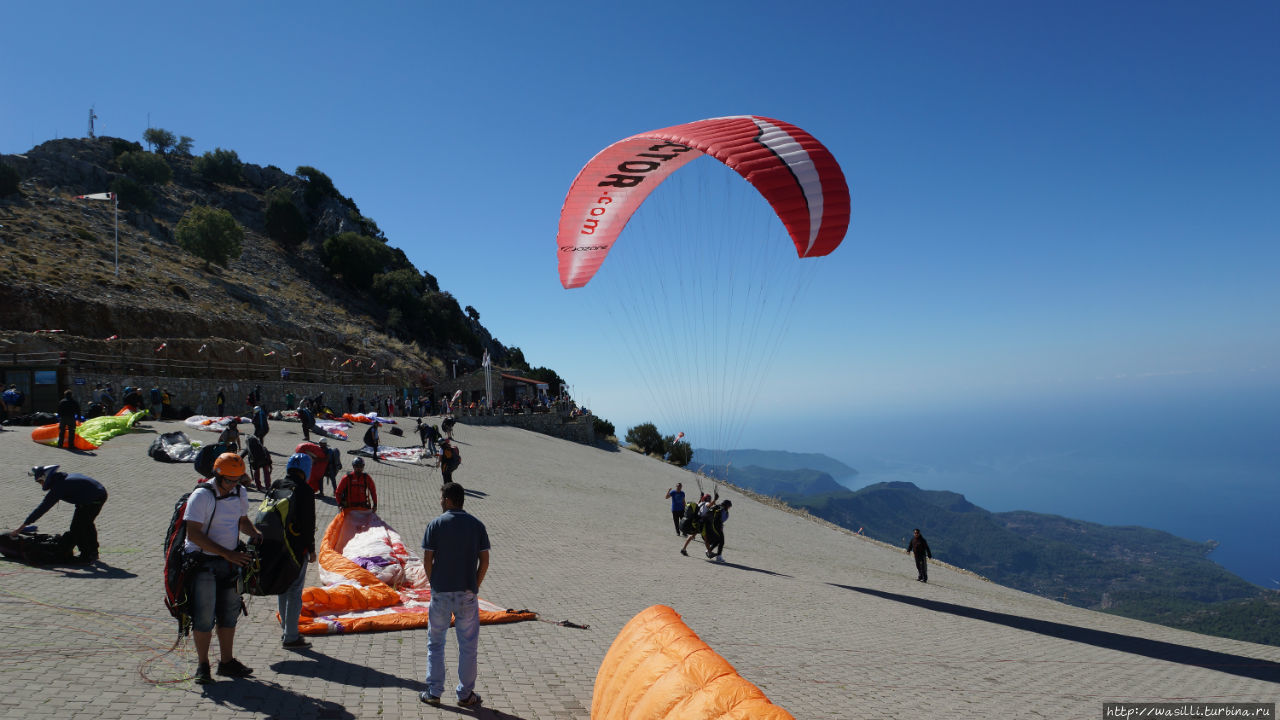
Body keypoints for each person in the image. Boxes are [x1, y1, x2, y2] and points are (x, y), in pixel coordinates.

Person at [183, 453, 261, 683]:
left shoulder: (239, 492)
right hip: (203, 563)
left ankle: (226, 662)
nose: (233, 485)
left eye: (238, 480)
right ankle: (203, 665)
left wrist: (254, 533)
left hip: (230, 562)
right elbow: (193, 534)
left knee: (229, 615)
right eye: (229, 480)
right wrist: (227, 553)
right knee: (204, 617)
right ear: (217, 475)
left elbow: (241, 520)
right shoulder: (202, 496)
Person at [419, 482, 488, 708]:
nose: (440, 502)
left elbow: (427, 560)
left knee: (436, 643)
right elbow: (484, 560)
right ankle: (466, 694)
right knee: (468, 646)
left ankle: (434, 691)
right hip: (466, 594)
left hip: (441, 592)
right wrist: (474, 585)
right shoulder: (476, 525)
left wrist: (434, 583)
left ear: (448, 499)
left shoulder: (436, 525)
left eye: (442, 498)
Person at [9, 465, 107, 564]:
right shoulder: (60, 480)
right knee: (86, 524)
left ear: (45, 477)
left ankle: (87, 556)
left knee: (77, 528)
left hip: (93, 500)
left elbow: (42, 509)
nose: (41, 484)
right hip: (91, 497)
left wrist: (19, 529)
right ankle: (93, 552)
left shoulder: (59, 487)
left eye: (40, 481)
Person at [277, 453, 317, 650]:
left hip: (275, 547)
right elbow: (309, 523)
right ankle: (291, 636)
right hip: (296, 548)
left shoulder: (277, 485)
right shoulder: (305, 490)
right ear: (306, 470)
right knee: (294, 591)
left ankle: (286, 628)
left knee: (282, 588)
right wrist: (311, 549)